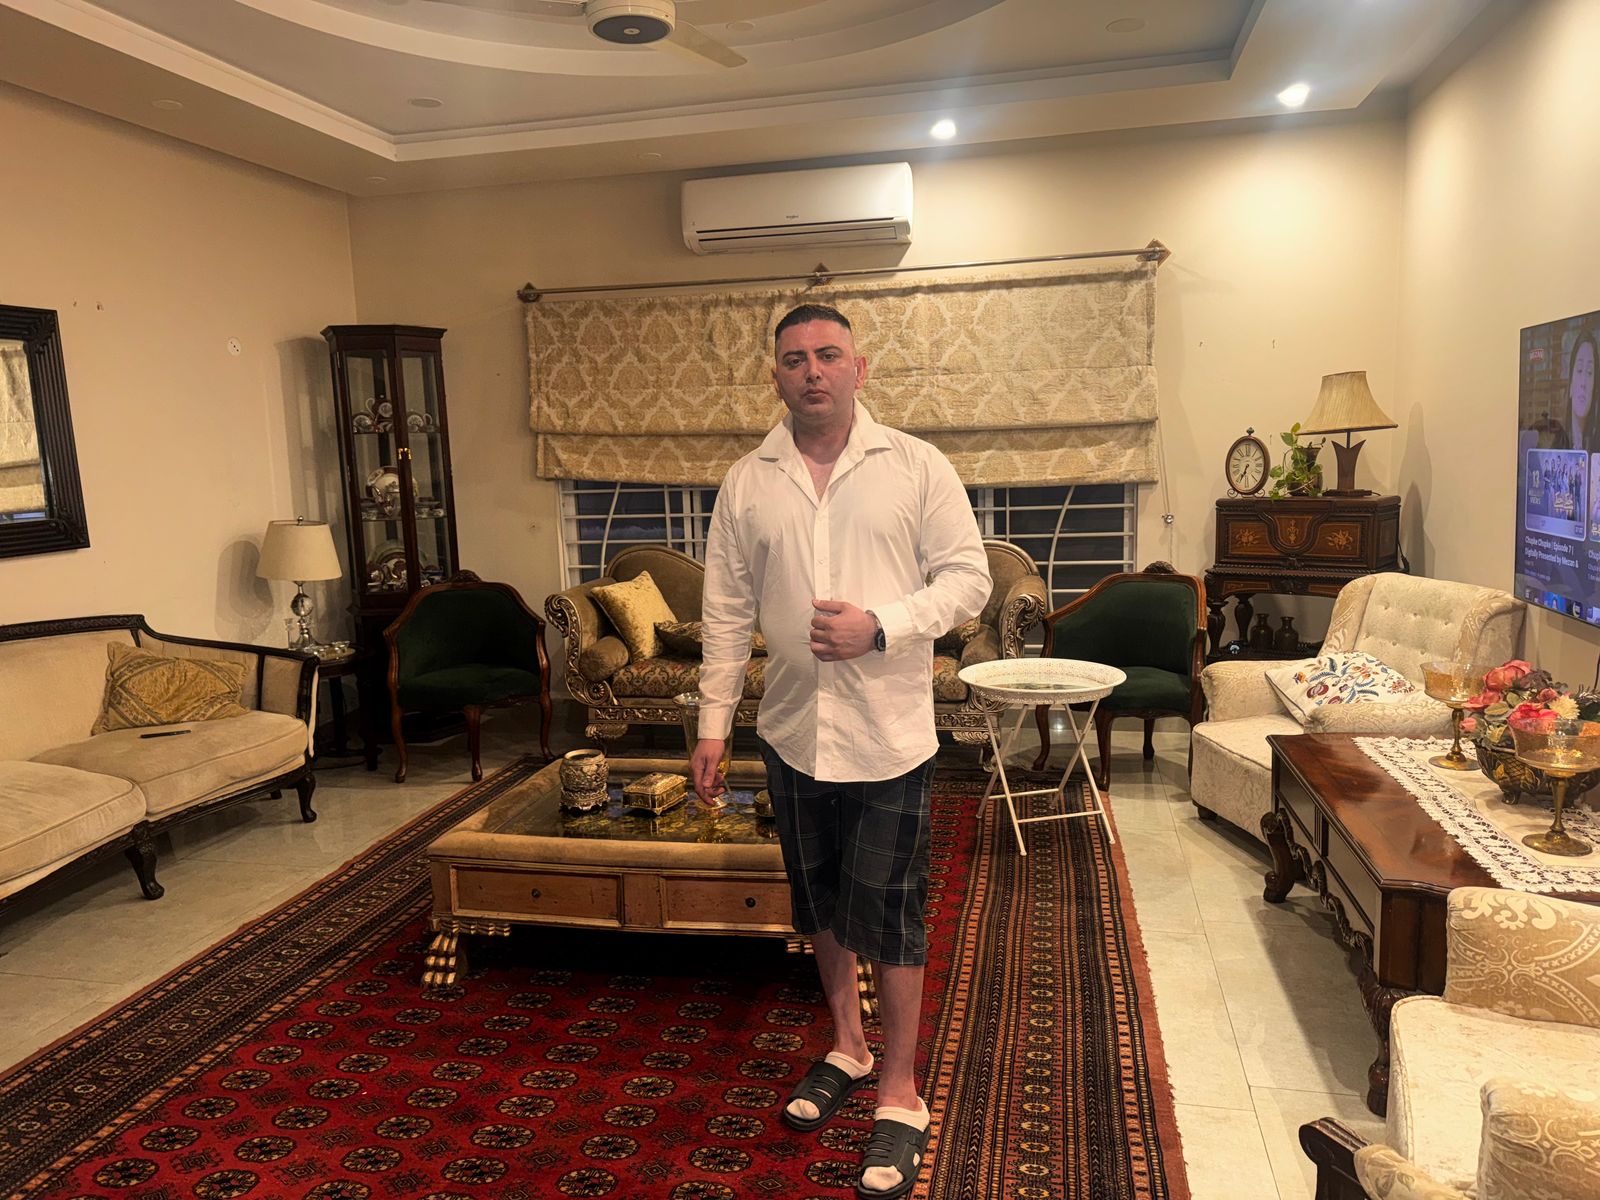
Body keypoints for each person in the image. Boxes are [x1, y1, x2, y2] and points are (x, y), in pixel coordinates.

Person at [690, 302, 991, 1199]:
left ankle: (899, 1090)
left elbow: (968, 579)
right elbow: (724, 612)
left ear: (860, 369)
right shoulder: (747, 482)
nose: (812, 371)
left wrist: (882, 625)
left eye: (828, 355)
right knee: (819, 901)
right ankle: (849, 1047)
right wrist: (712, 725)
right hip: (791, 732)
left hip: (888, 737)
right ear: (776, 375)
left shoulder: (916, 466)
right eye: (795, 359)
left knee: (892, 917)